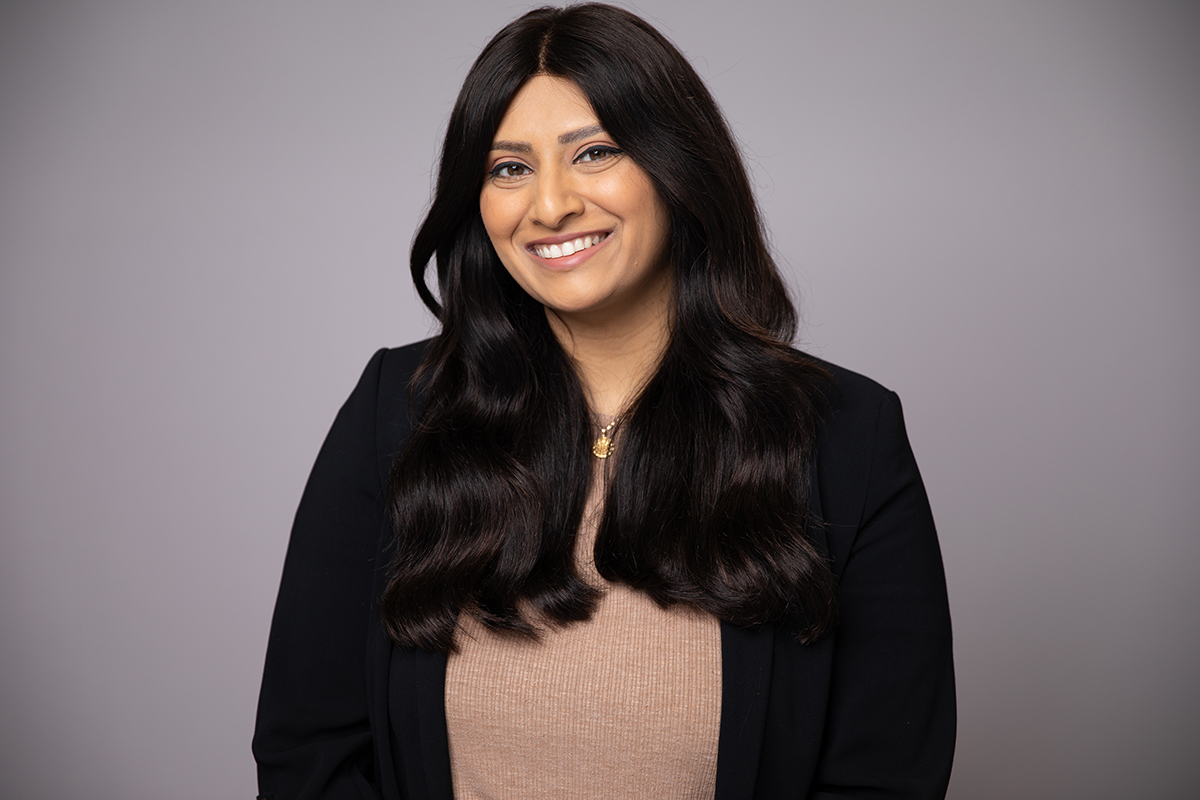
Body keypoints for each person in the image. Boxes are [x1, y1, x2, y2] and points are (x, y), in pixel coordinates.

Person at [252, 4, 955, 799]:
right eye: (508, 168)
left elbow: (885, 781)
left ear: (678, 167)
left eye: (594, 152)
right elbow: (307, 755)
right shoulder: (398, 413)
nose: (550, 205)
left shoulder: (847, 438)